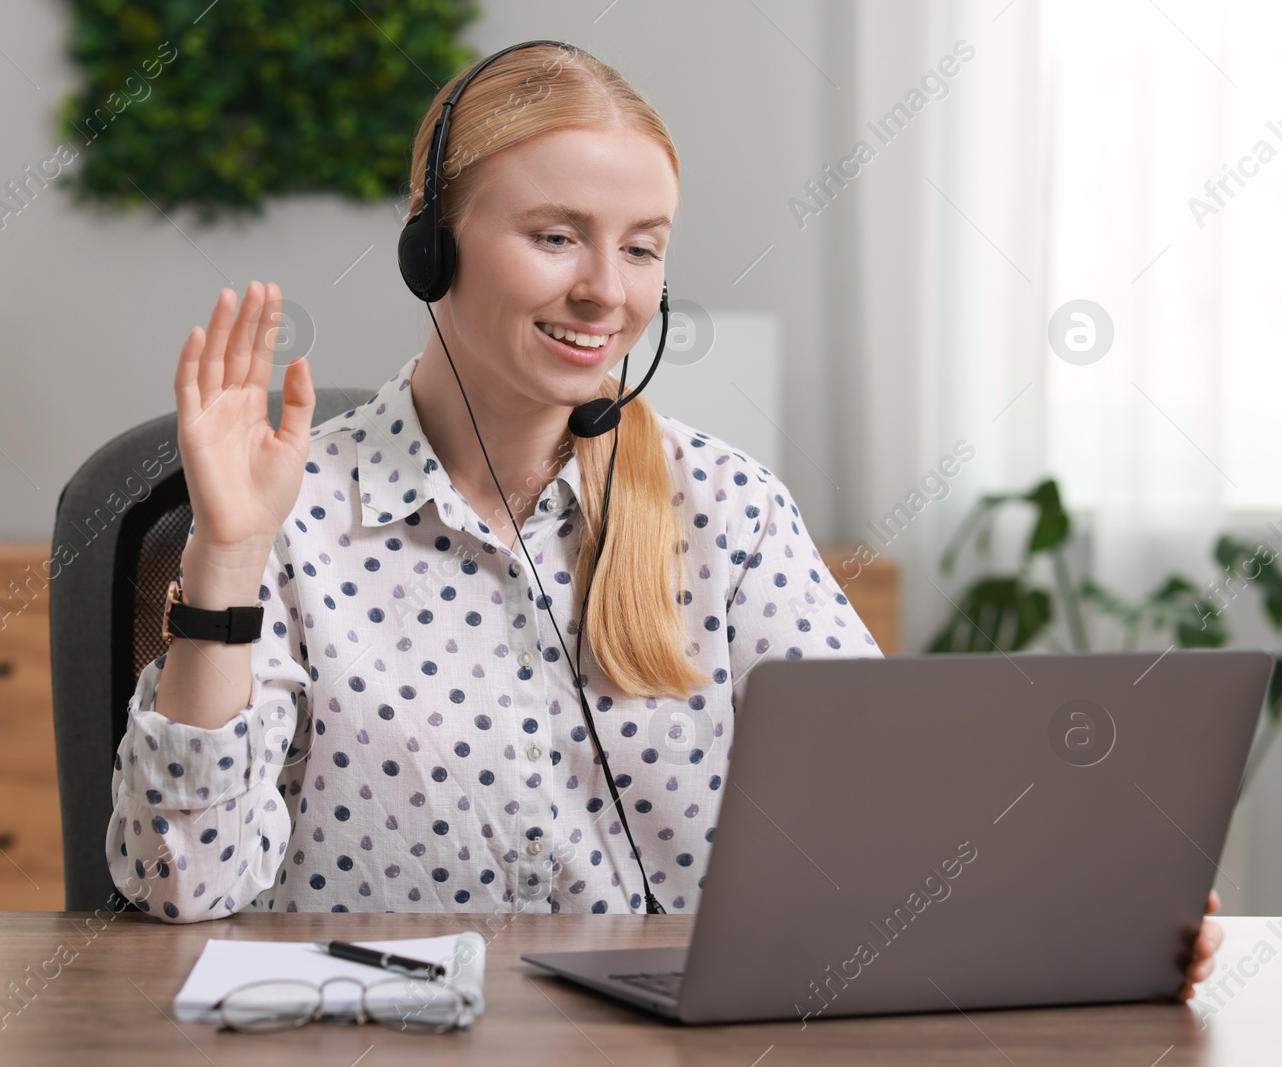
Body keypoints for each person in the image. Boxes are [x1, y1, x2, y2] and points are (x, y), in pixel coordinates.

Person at [104, 42, 1220, 999]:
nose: (607, 290)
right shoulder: (300, 514)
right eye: (555, 235)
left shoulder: (724, 510)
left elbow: (892, 821)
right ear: (429, 246)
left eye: (641, 246)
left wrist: (1091, 900)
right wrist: (230, 556)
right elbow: (182, 885)